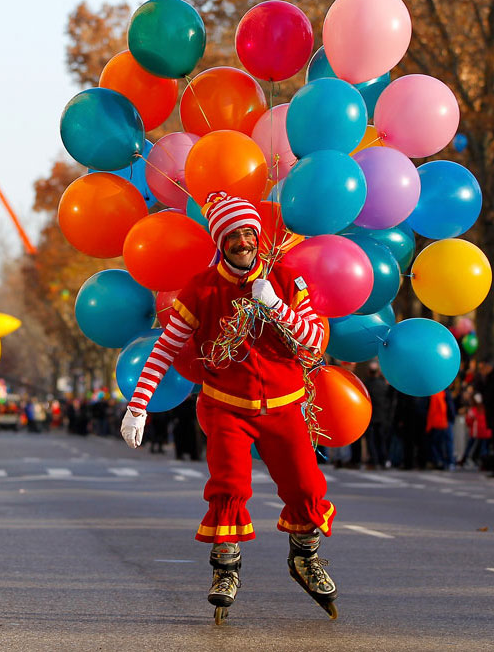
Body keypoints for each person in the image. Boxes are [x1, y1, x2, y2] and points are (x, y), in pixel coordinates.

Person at [120, 192, 338, 621]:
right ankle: (225, 569)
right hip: (227, 407)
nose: (243, 242)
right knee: (229, 486)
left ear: (258, 235)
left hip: (284, 405)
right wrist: (138, 405)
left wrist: (275, 306)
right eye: (233, 235)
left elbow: (314, 340)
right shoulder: (201, 288)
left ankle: (305, 559)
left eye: (248, 233)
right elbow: (166, 348)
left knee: (306, 487)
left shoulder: (286, 279)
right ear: (221, 242)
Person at [364, 361, 395, 469]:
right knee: (381, 440)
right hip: (382, 417)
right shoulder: (384, 386)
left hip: (370, 417)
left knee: (371, 441)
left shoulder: (366, 385)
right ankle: (383, 460)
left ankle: (374, 460)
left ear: (369, 372)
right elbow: (390, 401)